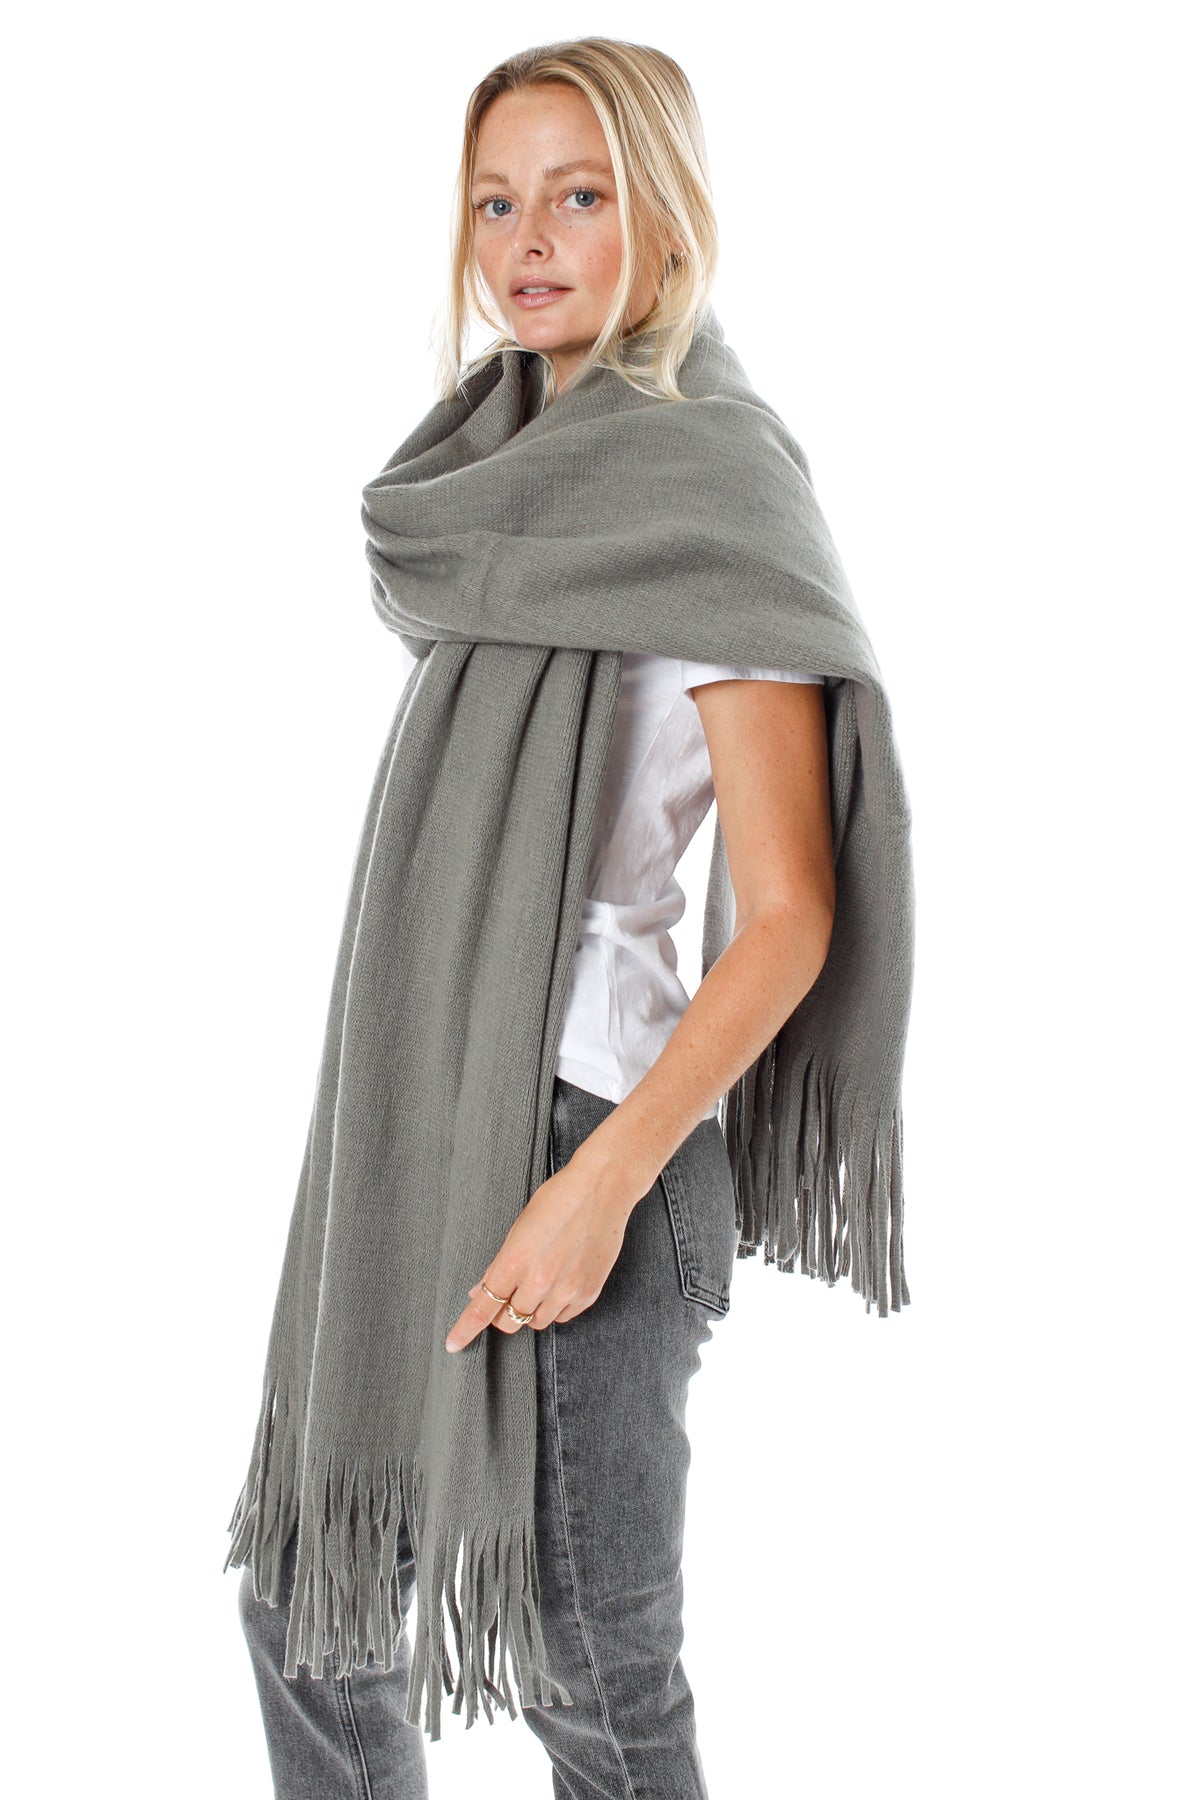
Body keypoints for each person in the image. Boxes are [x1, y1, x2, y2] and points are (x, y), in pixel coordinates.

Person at [234, 35, 904, 1800]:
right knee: (311, 1612)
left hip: (593, 1133)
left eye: (579, 195)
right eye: (495, 202)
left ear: (665, 218)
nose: (527, 241)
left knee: (593, 1680)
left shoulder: (715, 492)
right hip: (419, 1127)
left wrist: (593, 1193)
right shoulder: (490, 484)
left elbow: (790, 917)